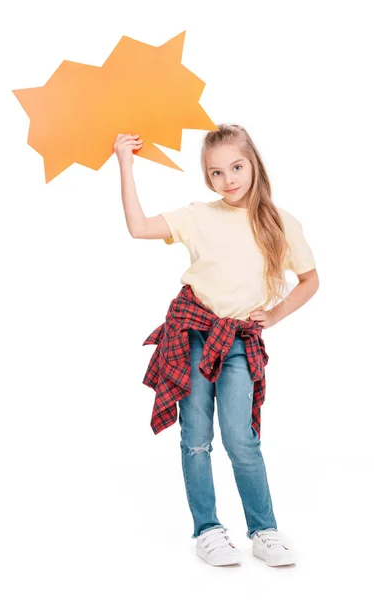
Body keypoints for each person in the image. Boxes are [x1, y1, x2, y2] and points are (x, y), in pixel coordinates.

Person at [113, 124, 319, 568]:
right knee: (197, 437)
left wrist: (278, 312)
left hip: (240, 342)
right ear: (207, 178)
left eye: (237, 167)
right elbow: (138, 227)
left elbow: (309, 279)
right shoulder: (197, 216)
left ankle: (263, 529)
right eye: (216, 173)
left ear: (254, 164)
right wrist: (125, 164)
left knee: (241, 438)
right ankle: (207, 529)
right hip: (193, 334)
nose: (229, 179)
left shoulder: (280, 222)